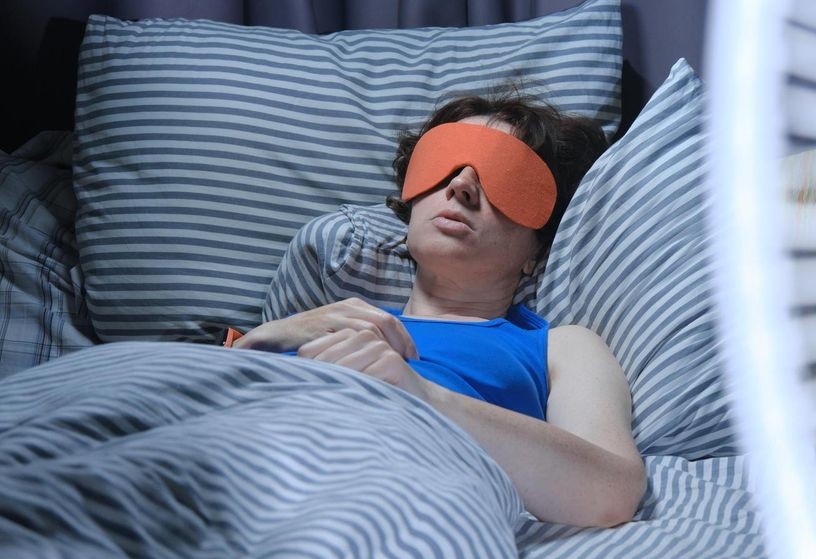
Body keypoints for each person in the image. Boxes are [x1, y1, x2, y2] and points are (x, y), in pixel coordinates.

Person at [231, 91, 645, 529]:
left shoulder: (558, 346)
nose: (461, 185)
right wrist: (258, 344)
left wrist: (424, 398)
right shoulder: (327, 320)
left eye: (506, 177)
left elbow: (611, 493)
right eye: (443, 162)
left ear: (536, 251)